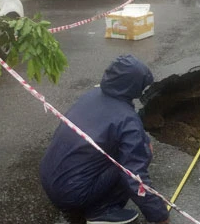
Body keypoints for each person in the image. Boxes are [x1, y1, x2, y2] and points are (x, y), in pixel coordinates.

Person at [39, 55, 170, 224]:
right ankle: (102, 210)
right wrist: (159, 216)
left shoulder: (92, 95)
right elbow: (134, 175)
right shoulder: (127, 120)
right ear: (135, 86)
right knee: (138, 156)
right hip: (72, 195)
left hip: (50, 179)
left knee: (137, 146)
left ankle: (91, 200)